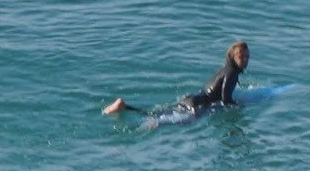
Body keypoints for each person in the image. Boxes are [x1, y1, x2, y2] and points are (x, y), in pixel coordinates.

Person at [103, 41, 250, 117]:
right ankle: (123, 107)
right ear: (233, 57)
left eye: (247, 57)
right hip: (196, 106)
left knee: (158, 112)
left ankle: (124, 107)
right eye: (241, 57)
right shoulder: (232, 73)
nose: (245, 60)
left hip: (192, 99)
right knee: (160, 119)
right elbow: (225, 100)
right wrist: (240, 105)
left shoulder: (224, 68)